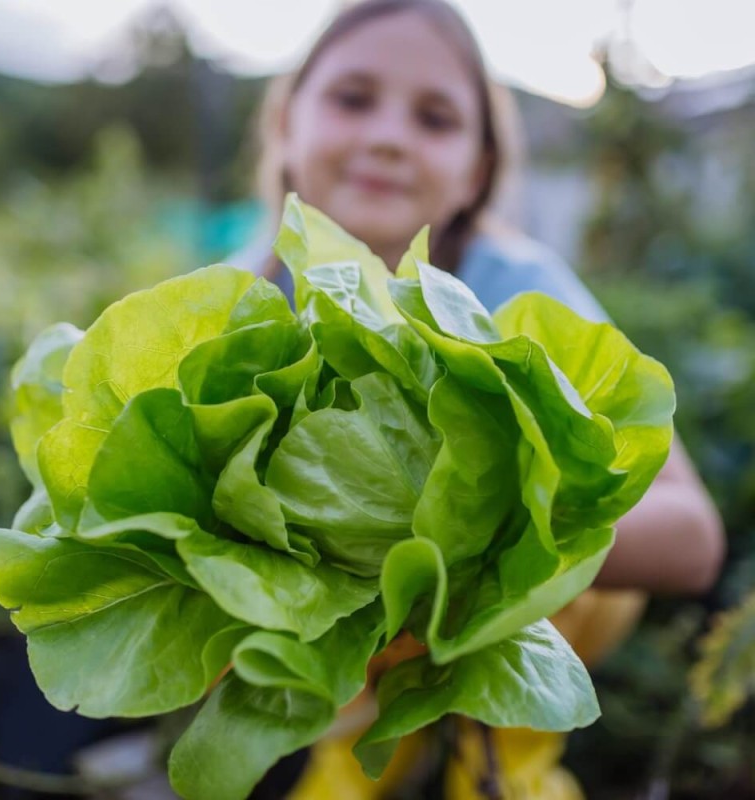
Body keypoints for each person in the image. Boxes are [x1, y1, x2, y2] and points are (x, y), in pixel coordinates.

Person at [235, 1, 726, 797]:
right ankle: (358, 738)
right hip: (340, 631)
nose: (389, 137)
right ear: (286, 125)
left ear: (476, 169)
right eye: (353, 99)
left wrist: (486, 534)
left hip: (524, 626)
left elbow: (692, 536)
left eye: (435, 118)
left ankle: (503, 752)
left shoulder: (517, 290)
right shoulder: (243, 298)